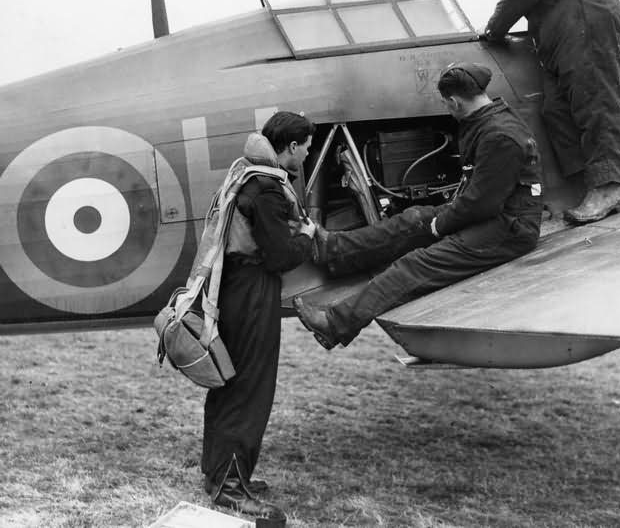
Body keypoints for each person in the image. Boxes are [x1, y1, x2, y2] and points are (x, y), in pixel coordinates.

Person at [294, 62, 542, 349]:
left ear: (454, 101)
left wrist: (440, 224)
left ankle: (336, 324)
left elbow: (482, 204)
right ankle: (334, 249)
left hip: (509, 227)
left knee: (417, 265)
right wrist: (433, 219)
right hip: (494, 214)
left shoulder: (500, 135)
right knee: (413, 219)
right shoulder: (490, 121)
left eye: (446, 104)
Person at [476, 0, 620, 224]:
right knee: (555, 109)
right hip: (561, 37)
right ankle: (590, 182)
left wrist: (494, 29)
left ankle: (609, 188)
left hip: (587, 19)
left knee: (595, 102)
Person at [202, 111, 316, 515]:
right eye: (305, 147)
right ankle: (230, 486)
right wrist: (307, 236)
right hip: (253, 290)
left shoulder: (245, 174)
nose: (306, 155)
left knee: (229, 382)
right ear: (290, 147)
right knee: (250, 387)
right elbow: (280, 256)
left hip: (233, 287)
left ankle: (221, 471)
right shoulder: (267, 188)